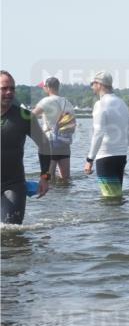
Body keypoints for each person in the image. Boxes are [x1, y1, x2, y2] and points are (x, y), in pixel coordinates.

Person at [1, 70, 50, 224]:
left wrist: (45, 177)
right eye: (4, 88)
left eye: (12, 88)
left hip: (13, 185)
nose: (9, 92)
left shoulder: (25, 117)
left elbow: (45, 145)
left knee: (11, 229)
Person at [84, 71, 129, 199]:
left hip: (105, 157)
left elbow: (98, 133)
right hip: (121, 156)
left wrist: (89, 159)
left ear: (99, 84)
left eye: (93, 84)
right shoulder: (122, 103)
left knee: (109, 199)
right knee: (117, 196)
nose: (91, 87)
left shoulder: (100, 104)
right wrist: (123, 150)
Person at [32, 76, 75, 182]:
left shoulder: (45, 101)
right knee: (65, 178)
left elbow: (31, 116)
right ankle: (65, 192)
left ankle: (50, 192)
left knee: (48, 178)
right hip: (64, 142)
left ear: (48, 87)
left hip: (49, 142)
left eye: (44, 86)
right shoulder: (67, 102)